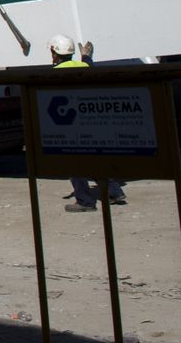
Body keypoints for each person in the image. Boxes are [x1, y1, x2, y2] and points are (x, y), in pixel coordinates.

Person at [50, 33, 126, 213]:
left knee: (74, 162)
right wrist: (86, 56)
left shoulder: (54, 73)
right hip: (90, 120)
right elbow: (89, 66)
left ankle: (85, 201)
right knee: (95, 158)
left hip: (70, 123)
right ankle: (114, 192)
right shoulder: (83, 65)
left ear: (54, 52)